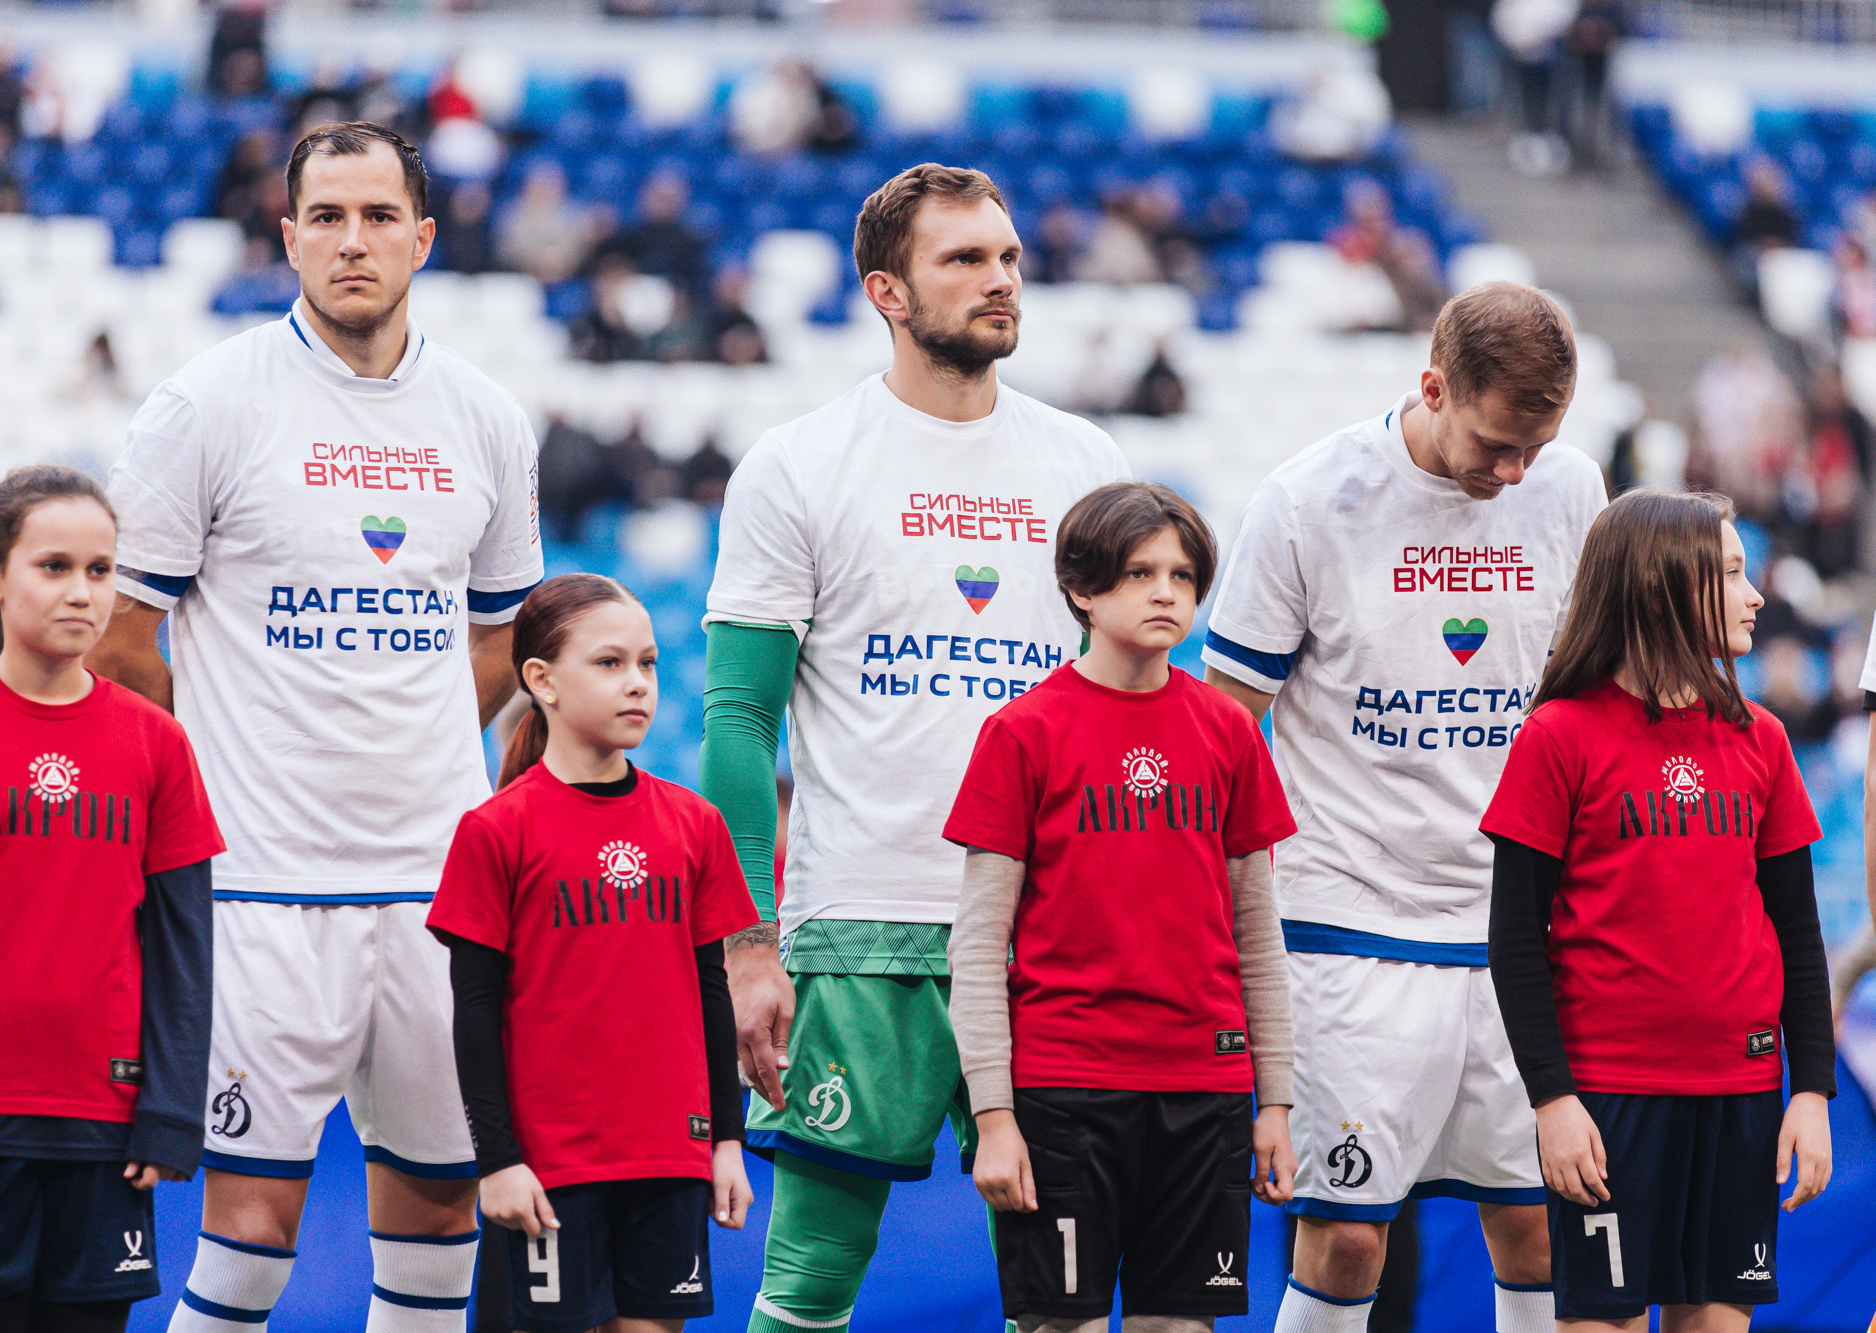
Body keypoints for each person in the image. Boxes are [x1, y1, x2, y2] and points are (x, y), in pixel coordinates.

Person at [88, 122, 544, 1333]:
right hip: (260, 890)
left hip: (437, 893)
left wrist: (424, 742)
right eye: (327, 218)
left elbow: (502, 632)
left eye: (379, 217)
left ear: (423, 239)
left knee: (443, 1216)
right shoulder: (207, 403)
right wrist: (228, 772)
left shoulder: (487, 418)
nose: (354, 241)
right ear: (287, 237)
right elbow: (125, 639)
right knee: (250, 1233)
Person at [698, 162, 1130, 1333]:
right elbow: (738, 721)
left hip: (1050, 940)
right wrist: (745, 945)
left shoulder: (1087, 467)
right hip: (862, 931)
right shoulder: (798, 462)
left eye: (1007, 257)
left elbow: (1130, 714)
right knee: (810, 1285)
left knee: (1064, 1291)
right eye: (964, 260)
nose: (999, 280)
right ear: (886, 290)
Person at [1202, 281, 1609, 1333]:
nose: (1512, 471)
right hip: (1347, 917)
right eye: (1494, 442)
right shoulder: (1305, 501)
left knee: (1534, 1221)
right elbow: (1219, 725)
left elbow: (1590, 699)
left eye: (1536, 444)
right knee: (1344, 1233)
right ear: (1431, 386)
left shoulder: (1568, 489)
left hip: (1516, 923)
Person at [0, 466, 222, 1333]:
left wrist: (171, 1108)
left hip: (111, 1118)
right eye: (55, 566)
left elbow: (185, 943)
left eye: (101, 570)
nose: (82, 592)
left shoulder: (158, 742)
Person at [946, 482, 1298, 1332]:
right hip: (1066, 1090)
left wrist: (1276, 1102)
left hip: (1205, 1090)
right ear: (1082, 588)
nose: (1166, 591)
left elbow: (1258, 935)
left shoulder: (1229, 732)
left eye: (1181, 573)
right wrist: (994, 1117)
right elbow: (977, 945)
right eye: (1140, 571)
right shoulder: (1021, 732)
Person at [1483, 489, 1834, 1329]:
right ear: (1656, 589)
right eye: (1731, 574)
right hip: (1609, 1098)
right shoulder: (1558, 736)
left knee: (1715, 1318)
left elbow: (1798, 929)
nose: (1754, 596)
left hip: (1743, 1090)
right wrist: (1553, 1100)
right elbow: (1513, 939)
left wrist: (1811, 1090)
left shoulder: (1763, 738)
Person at [430, 573, 757, 1332]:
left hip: (670, 1158)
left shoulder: (694, 824)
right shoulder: (496, 830)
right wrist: (498, 1160)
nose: (637, 683)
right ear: (540, 680)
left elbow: (712, 993)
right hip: (550, 1168)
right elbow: (475, 1013)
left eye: (647, 663)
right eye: (610, 664)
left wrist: (727, 1140)